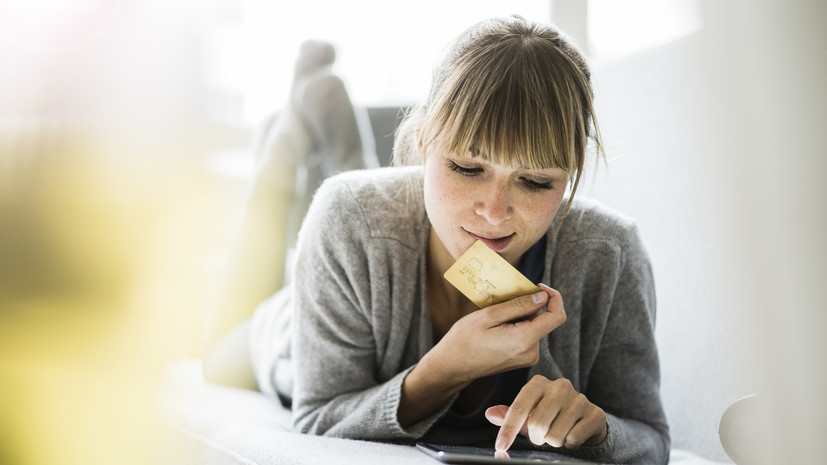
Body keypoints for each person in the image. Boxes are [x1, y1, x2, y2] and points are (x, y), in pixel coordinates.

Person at [205, 15, 669, 465]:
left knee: (372, 202)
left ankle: (343, 137)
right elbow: (317, 417)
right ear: (423, 140)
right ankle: (283, 153)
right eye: (467, 168)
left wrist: (599, 431)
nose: (494, 212)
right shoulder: (349, 217)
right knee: (218, 355)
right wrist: (445, 369)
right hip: (288, 327)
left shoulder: (610, 252)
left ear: (569, 173)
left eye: (535, 182)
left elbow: (651, 439)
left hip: (384, 221)